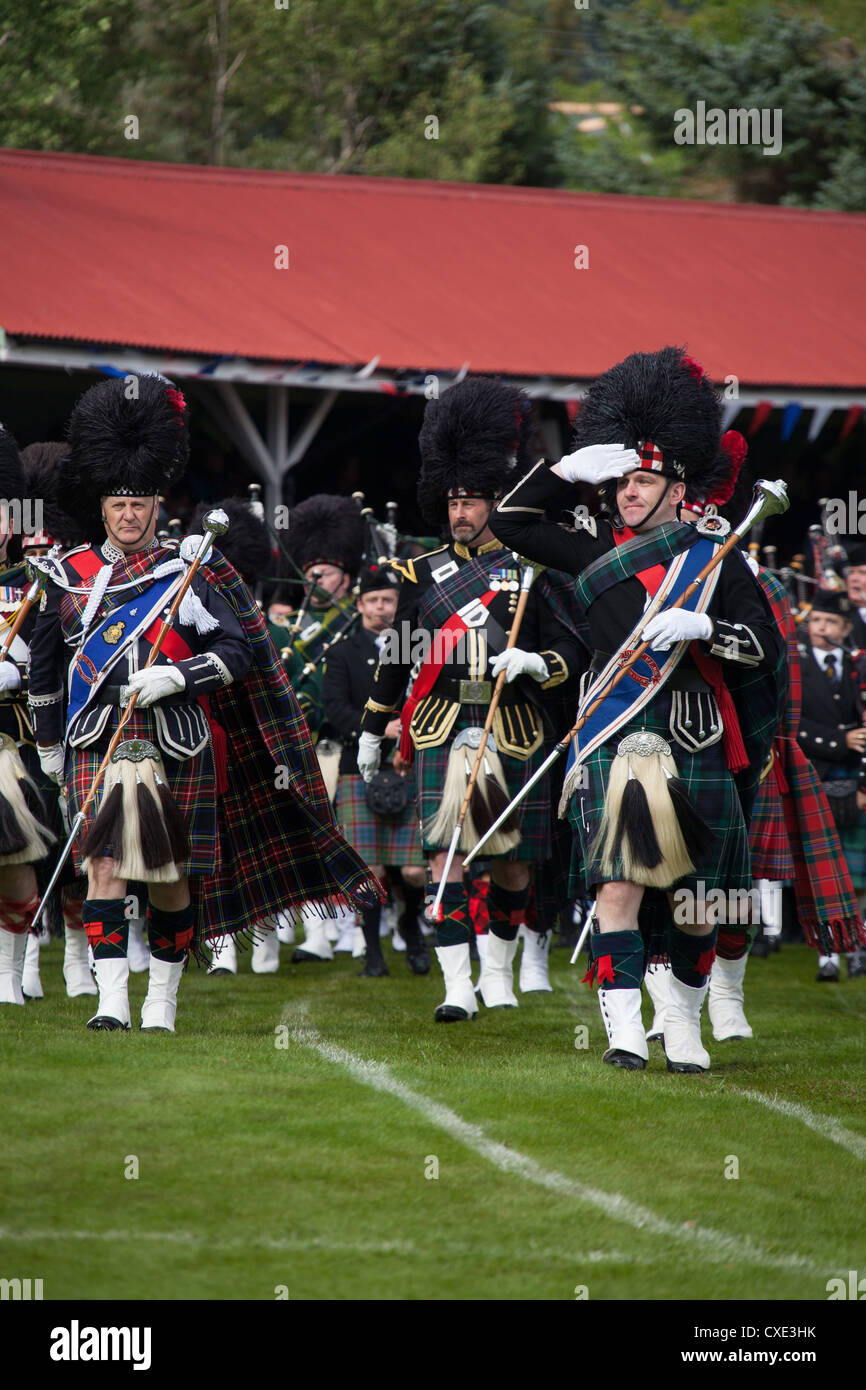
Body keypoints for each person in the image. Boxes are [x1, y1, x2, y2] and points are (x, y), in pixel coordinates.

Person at [28, 375, 382, 1033]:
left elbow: (239, 652)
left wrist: (179, 677)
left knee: (166, 875)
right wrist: (49, 741)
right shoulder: (67, 577)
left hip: (176, 737)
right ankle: (111, 1000)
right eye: (118, 504)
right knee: (102, 868)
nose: (129, 515)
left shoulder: (183, 574)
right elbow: (45, 670)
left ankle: (160, 998)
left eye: (140, 504)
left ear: (157, 507)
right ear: (100, 506)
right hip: (97, 736)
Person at [489, 346, 785, 1073]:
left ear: (679, 490)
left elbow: (765, 648)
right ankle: (623, 1025)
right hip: (618, 736)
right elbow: (511, 523)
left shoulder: (717, 554)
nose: (626, 492)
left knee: (696, 900)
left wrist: (704, 628)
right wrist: (562, 473)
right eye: (621, 480)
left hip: (694, 733)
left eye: (642, 480)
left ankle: (682, 1022)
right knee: (617, 884)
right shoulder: (590, 552)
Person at [359, 377, 583, 1021]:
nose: (461, 512)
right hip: (440, 724)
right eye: (453, 502)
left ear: (496, 502)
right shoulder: (420, 573)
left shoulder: (535, 566)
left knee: (511, 863)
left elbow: (575, 651)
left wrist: (539, 662)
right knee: (442, 857)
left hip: (512, 723)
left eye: (474, 501)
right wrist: (374, 731)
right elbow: (397, 658)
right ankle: (458, 985)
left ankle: (501, 969)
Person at [323, 562, 429, 976]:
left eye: (389, 600)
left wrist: (411, 734)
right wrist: (381, 728)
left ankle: (411, 927)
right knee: (371, 868)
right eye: (374, 600)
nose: (382, 607)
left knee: (416, 868)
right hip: (359, 770)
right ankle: (373, 951)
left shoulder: (416, 645)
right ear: (360, 604)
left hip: (410, 765)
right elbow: (333, 711)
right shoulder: (344, 652)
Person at [282, 494, 365, 961]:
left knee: (346, 836)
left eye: (325, 572)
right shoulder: (294, 627)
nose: (314, 579)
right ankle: (317, 934)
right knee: (311, 836)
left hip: (344, 740)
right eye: (309, 570)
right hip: (304, 743)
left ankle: (351, 926)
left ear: (346, 578)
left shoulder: (358, 621)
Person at [0, 425, 62, 1006]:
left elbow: (51, 665)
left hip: (10, 743)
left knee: (17, 859)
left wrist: (15, 671)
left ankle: (10, 975)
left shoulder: (37, 586)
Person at [797, 592, 866, 980]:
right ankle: (827, 952)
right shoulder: (798, 665)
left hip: (856, 779)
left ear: (845, 628)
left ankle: (857, 946)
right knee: (823, 874)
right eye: (816, 621)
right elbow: (791, 722)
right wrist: (840, 741)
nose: (822, 629)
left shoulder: (860, 667)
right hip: (815, 776)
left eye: (830, 623)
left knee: (858, 877)